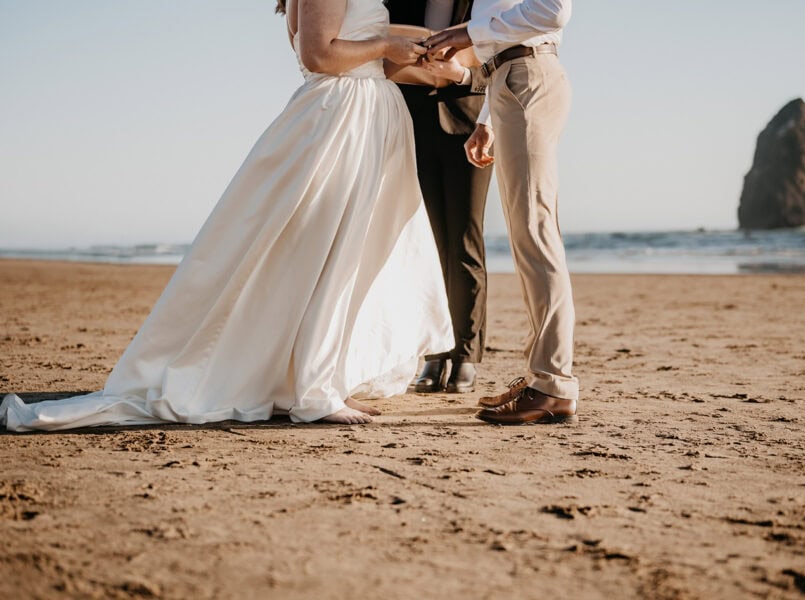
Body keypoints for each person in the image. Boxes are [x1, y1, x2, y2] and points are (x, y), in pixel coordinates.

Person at [1, 0, 454, 432]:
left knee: (343, 257)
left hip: (365, 114)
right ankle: (315, 390)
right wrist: (386, 44)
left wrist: (434, 70)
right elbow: (319, 54)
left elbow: (363, 59)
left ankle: (320, 380)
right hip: (343, 122)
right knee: (325, 256)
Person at [426, 0, 579, 424]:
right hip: (511, 78)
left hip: (527, 74)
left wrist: (466, 33)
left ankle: (553, 384)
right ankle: (543, 378)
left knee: (535, 230)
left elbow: (554, 10)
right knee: (527, 232)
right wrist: (489, 120)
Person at [386, 0, 493, 394]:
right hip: (409, 125)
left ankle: (466, 354)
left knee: (465, 240)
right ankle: (434, 353)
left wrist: (460, 74)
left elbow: (500, 66)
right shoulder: (396, 1)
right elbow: (379, 53)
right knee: (427, 245)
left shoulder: (481, 4)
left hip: (470, 126)